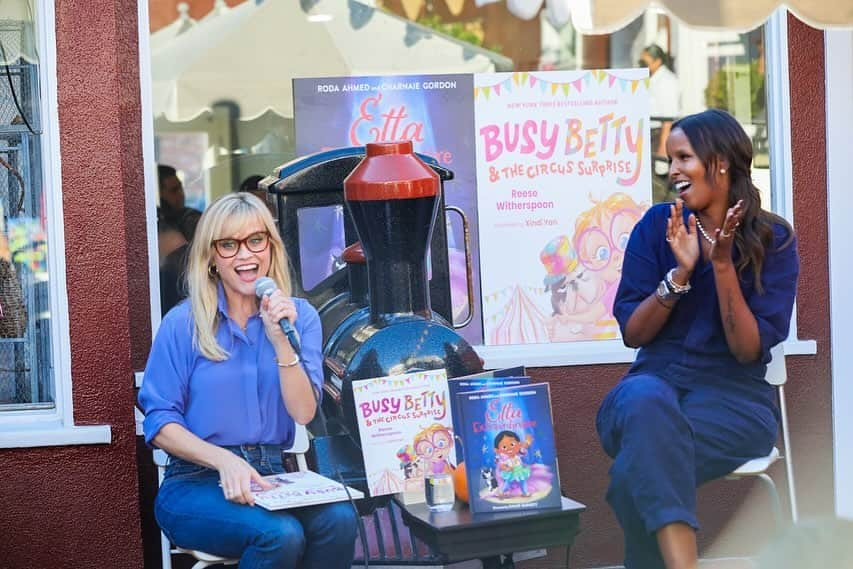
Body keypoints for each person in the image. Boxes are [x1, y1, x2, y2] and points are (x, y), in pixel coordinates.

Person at [596, 109, 799, 569]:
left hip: (732, 402)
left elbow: (748, 350)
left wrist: (723, 266)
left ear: (720, 160)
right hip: (652, 386)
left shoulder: (773, 238)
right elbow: (634, 334)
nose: (672, 172)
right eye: (671, 160)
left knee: (637, 467)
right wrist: (679, 275)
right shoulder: (656, 226)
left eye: (683, 157)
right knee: (646, 400)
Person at [139, 192, 358, 568]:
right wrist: (224, 461)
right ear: (211, 257)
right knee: (279, 535)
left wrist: (281, 344)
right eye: (229, 245)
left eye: (256, 240)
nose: (246, 255)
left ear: (271, 248)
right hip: (195, 482)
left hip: (272, 474)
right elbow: (159, 422)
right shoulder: (184, 323)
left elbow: (304, 413)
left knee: (339, 520)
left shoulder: (299, 318)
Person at [639, 44, 682, 178]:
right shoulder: (652, 79)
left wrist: (662, 150)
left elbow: (668, 119)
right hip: (650, 134)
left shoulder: (667, 81)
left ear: (657, 61)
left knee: (659, 183)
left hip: (660, 135)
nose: (641, 65)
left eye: (644, 62)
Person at [158, 164, 202, 242]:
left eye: (180, 187)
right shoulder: (155, 223)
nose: (181, 194)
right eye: (174, 190)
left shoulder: (192, 218)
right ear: (158, 194)